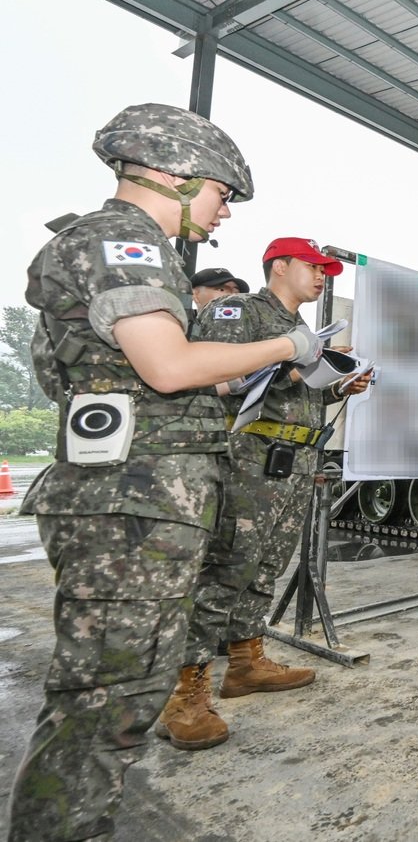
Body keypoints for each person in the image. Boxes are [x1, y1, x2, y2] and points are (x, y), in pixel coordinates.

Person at [9, 102, 324, 842]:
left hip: (143, 493)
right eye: (220, 194)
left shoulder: (133, 245)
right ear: (174, 174)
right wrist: (285, 350)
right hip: (132, 501)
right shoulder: (124, 239)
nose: (222, 215)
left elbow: (158, 376)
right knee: (105, 702)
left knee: (119, 690)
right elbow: (170, 363)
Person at [154, 237, 374, 751]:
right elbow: (212, 375)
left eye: (326, 269)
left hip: (293, 459)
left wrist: (339, 383)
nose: (323, 276)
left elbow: (293, 385)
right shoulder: (240, 310)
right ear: (279, 266)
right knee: (227, 566)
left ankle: (246, 664)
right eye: (313, 266)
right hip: (248, 456)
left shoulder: (300, 329)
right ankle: (182, 692)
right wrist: (293, 365)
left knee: (266, 566)